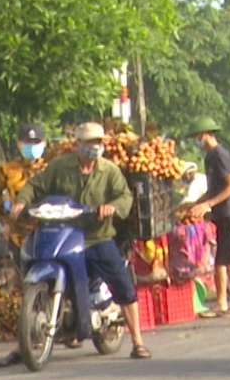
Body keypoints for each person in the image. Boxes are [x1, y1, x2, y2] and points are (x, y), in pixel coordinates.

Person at [11, 122, 151, 359]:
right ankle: (31, 341)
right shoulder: (60, 167)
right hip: (65, 235)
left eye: (98, 142)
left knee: (122, 286)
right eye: (89, 143)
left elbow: (124, 197)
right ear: (78, 145)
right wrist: (22, 202)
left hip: (97, 236)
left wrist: (112, 207)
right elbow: (35, 186)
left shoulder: (109, 171)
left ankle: (138, 341)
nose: (95, 147)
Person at [0, 124, 47, 367]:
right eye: (27, 143)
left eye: (36, 144)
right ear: (18, 145)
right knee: (26, 288)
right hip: (21, 237)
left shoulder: (54, 167)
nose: (31, 148)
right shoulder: (7, 170)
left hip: (51, 233)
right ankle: (24, 342)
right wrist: (5, 222)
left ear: (44, 144)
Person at [184, 118, 230, 318]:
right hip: (220, 215)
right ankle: (221, 302)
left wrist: (208, 204)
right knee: (220, 261)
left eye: (196, 137)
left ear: (205, 135)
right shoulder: (210, 157)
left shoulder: (220, 154)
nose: (196, 141)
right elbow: (214, 189)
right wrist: (196, 204)